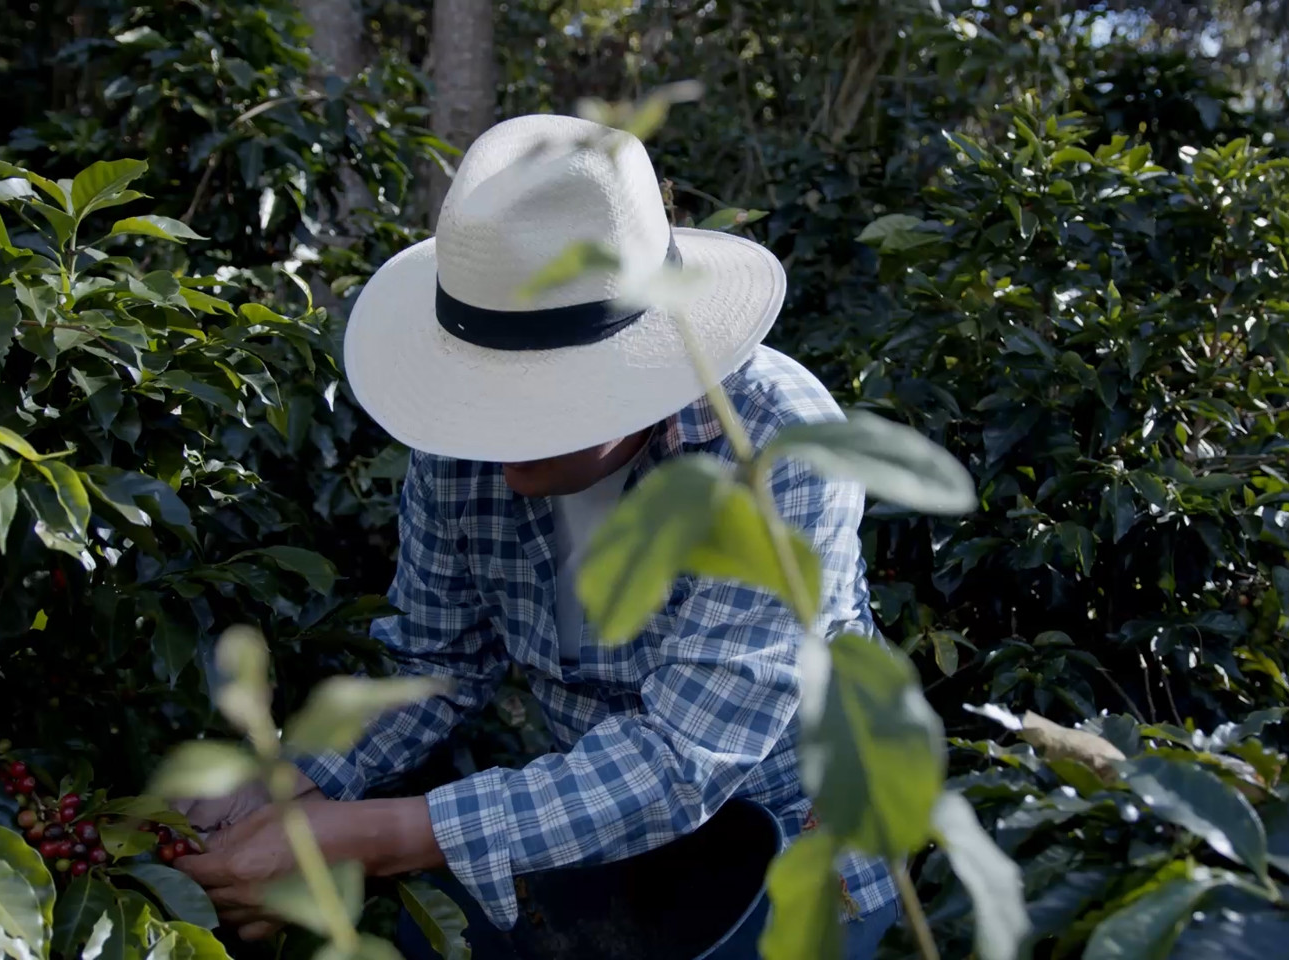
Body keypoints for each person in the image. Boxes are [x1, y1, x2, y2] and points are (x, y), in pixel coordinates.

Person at [174, 113, 900, 959]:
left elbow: (679, 759)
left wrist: (369, 834)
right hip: (608, 859)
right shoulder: (459, 450)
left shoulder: (777, 449)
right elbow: (434, 663)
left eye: (543, 403)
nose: (501, 437)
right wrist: (292, 783)